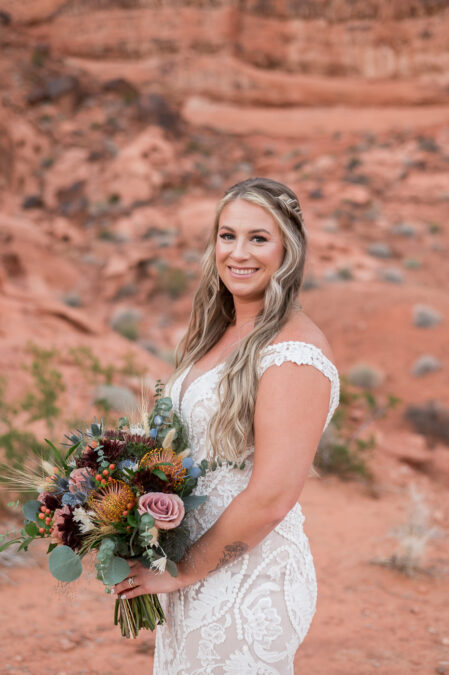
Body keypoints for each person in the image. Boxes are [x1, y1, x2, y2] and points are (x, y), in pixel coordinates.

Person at [114, 177, 340, 673]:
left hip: (246, 581)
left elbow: (272, 497)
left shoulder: (293, 355)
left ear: (289, 248)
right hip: (193, 571)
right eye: (227, 235)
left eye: (259, 238)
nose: (239, 252)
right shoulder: (221, 331)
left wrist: (180, 571)